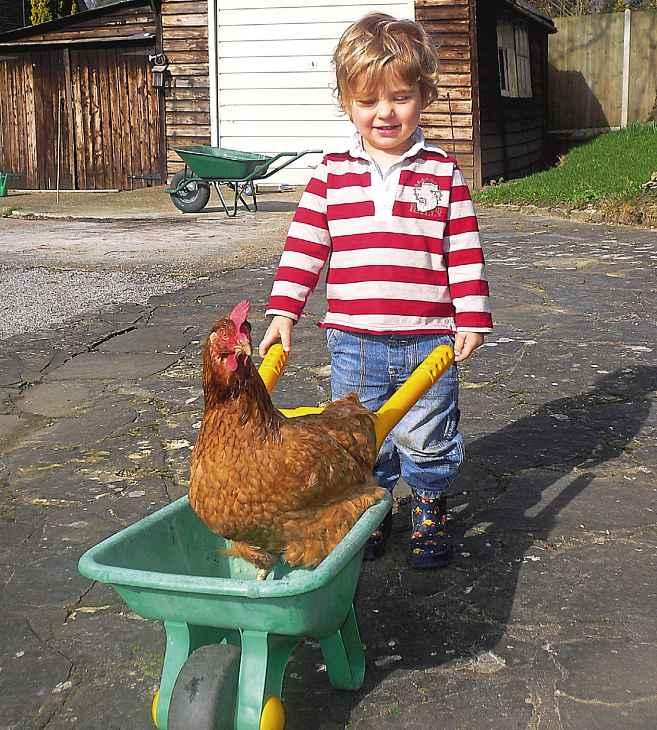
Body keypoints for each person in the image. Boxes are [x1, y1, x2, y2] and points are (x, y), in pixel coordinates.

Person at [259, 12, 492, 569]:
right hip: (353, 341)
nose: (385, 112)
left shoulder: (442, 172)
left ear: (424, 96)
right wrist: (284, 312)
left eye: (400, 98)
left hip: (428, 342)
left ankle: (429, 508)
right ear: (346, 102)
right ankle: (374, 508)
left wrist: (472, 316)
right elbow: (305, 246)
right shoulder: (331, 174)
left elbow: (463, 249)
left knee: (427, 435)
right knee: (362, 438)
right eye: (368, 101)